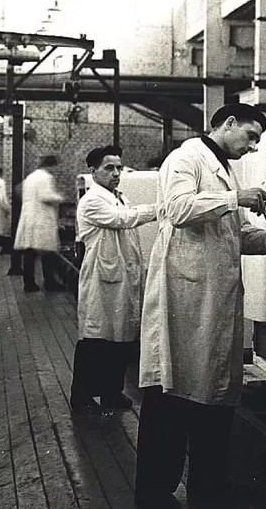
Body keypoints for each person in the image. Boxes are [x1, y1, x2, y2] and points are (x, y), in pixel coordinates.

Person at [135, 103, 266, 509]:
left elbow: (235, 234)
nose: (252, 146)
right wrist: (235, 198)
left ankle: (208, 489)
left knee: (212, 399)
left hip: (212, 303)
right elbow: (178, 210)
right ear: (228, 123)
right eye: (250, 136)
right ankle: (154, 495)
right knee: (171, 398)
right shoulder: (186, 159)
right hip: (185, 301)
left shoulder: (224, 170)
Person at [71, 145, 157, 413]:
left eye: (119, 168)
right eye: (109, 168)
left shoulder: (119, 197)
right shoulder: (92, 201)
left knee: (120, 339)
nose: (117, 173)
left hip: (121, 279)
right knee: (95, 340)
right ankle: (81, 397)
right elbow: (124, 220)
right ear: (93, 171)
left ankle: (112, 393)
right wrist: (160, 208)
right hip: (102, 279)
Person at [14, 155, 65, 292]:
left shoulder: (30, 177)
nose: (56, 170)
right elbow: (46, 196)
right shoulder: (46, 177)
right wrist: (60, 198)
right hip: (41, 219)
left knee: (30, 252)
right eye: (56, 167)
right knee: (48, 251)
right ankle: (50, 283)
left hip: (29, 217)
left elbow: (18, 191)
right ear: (51, 166)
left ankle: (29, 283)